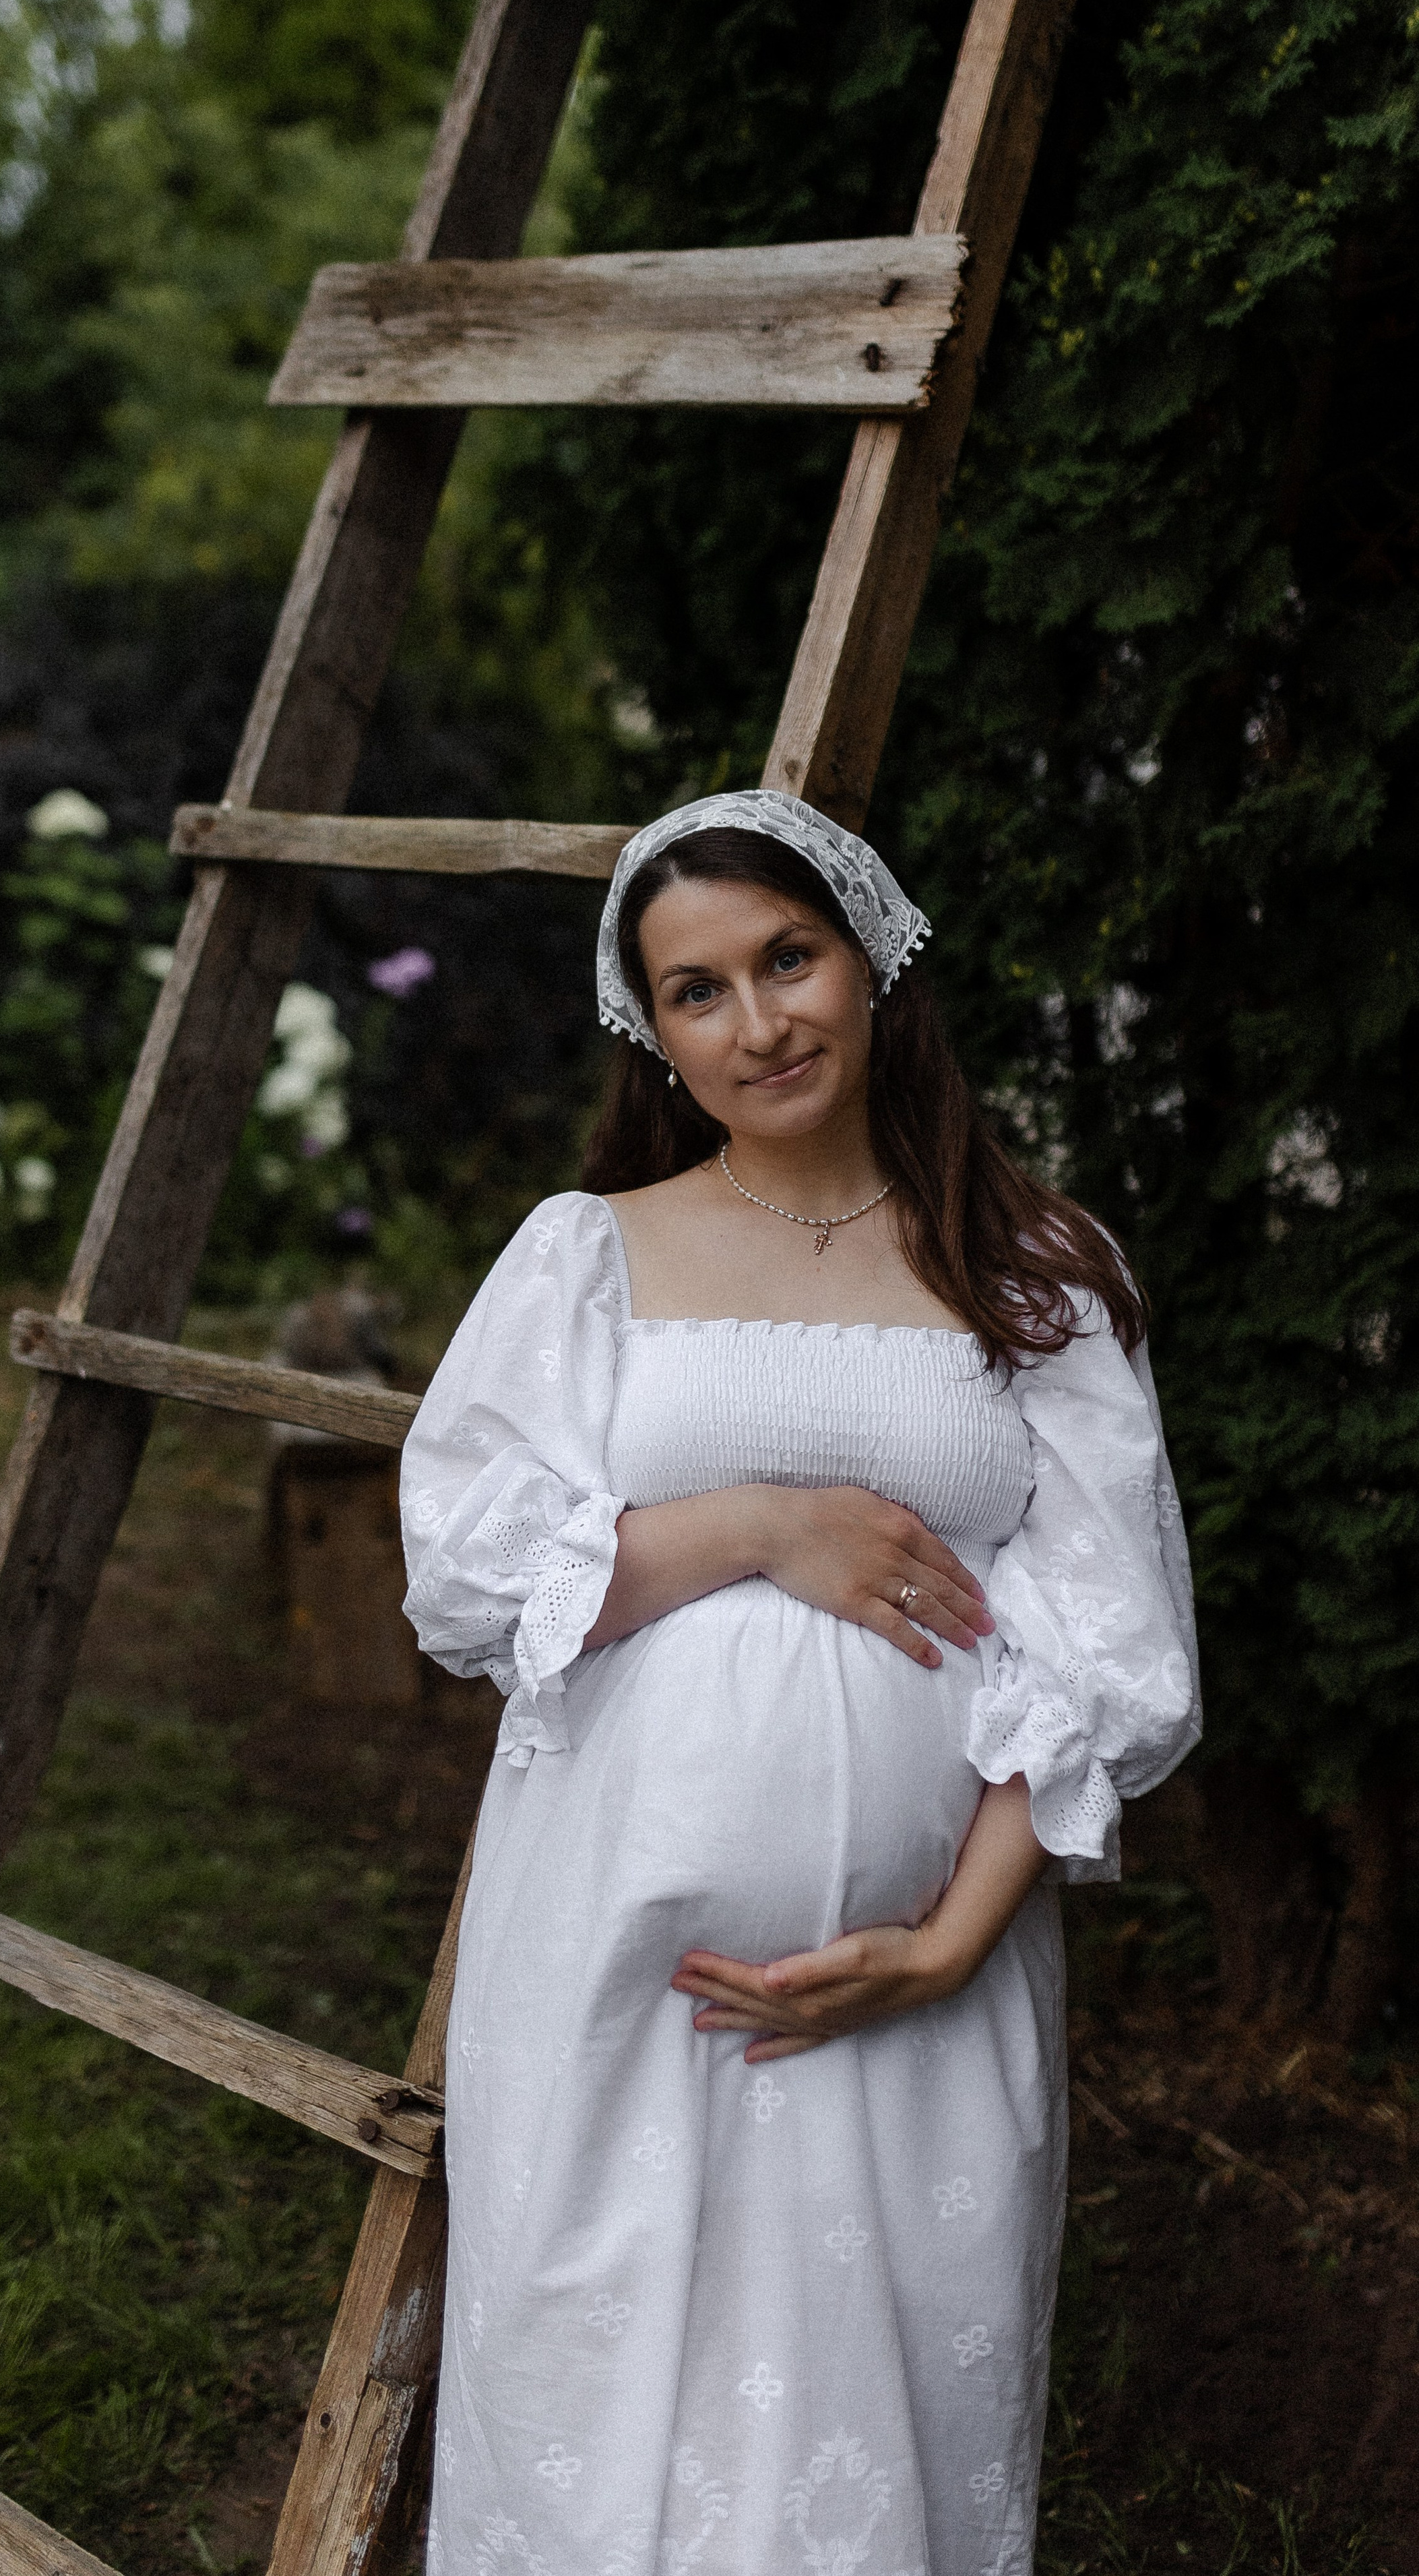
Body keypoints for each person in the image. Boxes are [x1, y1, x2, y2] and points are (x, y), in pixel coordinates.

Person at [400, 789, 1199, 2576]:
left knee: (877, 2430)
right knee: (608, 2412)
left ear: (873, 960)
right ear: (655, 1032)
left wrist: (951, 1941)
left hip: (924, 1982)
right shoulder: (587, 1254)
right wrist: (764, 1524)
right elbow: (472, 1570)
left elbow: (1109, 1646)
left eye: (788, 959)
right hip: (621, 1964)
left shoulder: (1037, 1272)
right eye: (698, 991)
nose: (758, 1023)